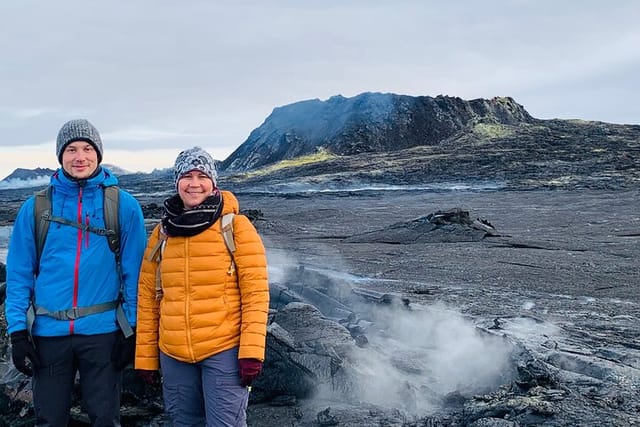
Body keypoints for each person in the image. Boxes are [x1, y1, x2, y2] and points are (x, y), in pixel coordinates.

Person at [5, 119, 147, 426]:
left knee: (105, 419)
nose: (79, 156)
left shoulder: (123, 206)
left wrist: (132, 329)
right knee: (51, 419)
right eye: (71, 149)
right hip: (48, 334)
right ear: (60, 155)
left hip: (103, 333)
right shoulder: (35, 208)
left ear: (98, 154)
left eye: (87, 148)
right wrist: (18, 332)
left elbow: (136, 275)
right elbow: (19, 274)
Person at [135, 146, 270, 426]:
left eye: (201, 176)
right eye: (187, 176)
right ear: (177, 182)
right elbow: (148, 297)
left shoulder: (236, 227)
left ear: (213, 182)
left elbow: (256, 293)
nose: (194, 184)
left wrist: (251, 353)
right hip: (173, 354)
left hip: (224, 350)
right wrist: (146, 358)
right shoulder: (162, 232)